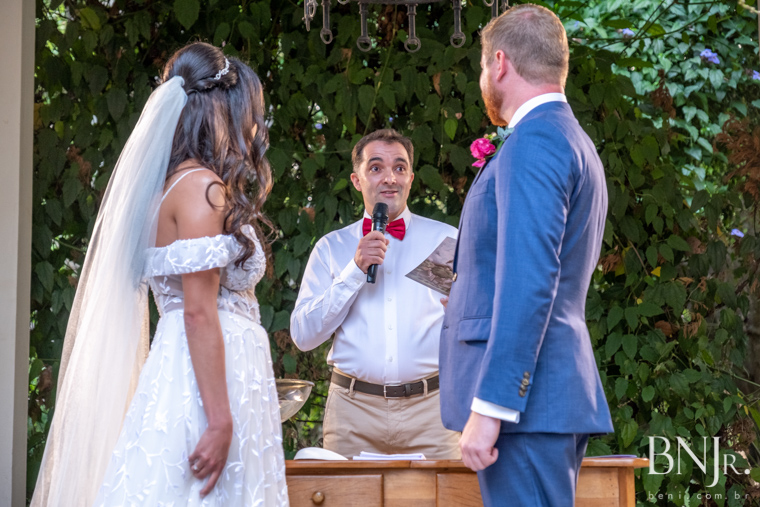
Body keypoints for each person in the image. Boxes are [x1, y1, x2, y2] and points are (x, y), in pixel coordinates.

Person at [31, 42, 289, 506]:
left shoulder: (174, 186)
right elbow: (198, 312)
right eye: (250, 112)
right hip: (205, 385)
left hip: (203, 373)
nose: (254, 126)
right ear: (221, 109)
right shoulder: (201, 188)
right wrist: (219, 420)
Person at [439, 5, 614, 506]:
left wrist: (492, 404)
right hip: (542, 401)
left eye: (481, 66)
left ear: (499, 63)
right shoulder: (567, 137)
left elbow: (531, 281)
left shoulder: (535, 142)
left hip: (526, 407)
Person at [290, 129, 460, 459]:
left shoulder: (444, 241)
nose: (390, 178)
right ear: (357, 180)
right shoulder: (331, 247)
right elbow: (304, 336)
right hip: (352, 413)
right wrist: (354, 271)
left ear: (411, 178)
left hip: (433, 413)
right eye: (376, 167)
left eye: (399, 168)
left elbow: (473, 323)